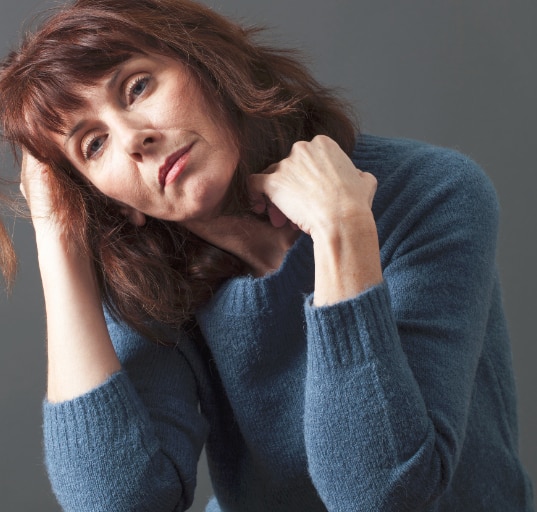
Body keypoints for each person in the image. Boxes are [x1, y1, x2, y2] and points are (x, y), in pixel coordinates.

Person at [0, 0, 533, 510]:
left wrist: (343, 230)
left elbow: (380, 493)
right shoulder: (157, 284)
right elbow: (118, 502)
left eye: (136, 87)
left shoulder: (430, 193)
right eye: (93, 145)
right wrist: (58, 238)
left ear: (207, 64)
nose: (134, 138)